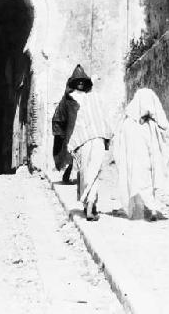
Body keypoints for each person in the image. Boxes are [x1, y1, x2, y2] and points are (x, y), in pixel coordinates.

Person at [112, 88, 169, 221]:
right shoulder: (152, 124)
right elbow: (166, 134)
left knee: (137, 183)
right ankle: (150, 208)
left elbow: (118, 143)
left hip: (135, 163)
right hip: (148, 162)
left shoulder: (128, 122)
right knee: (148, 183)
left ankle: (143, 209)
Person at [60, 64, 112, 221]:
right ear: (74, 84)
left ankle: (89, 207)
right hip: (84, 141)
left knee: (92, 173)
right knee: (86, 173)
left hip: (93, 139)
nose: (81, 84)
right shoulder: (72, 99)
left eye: (83, 82)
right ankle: (89, 206)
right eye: (78, 82)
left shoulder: (90, 97)